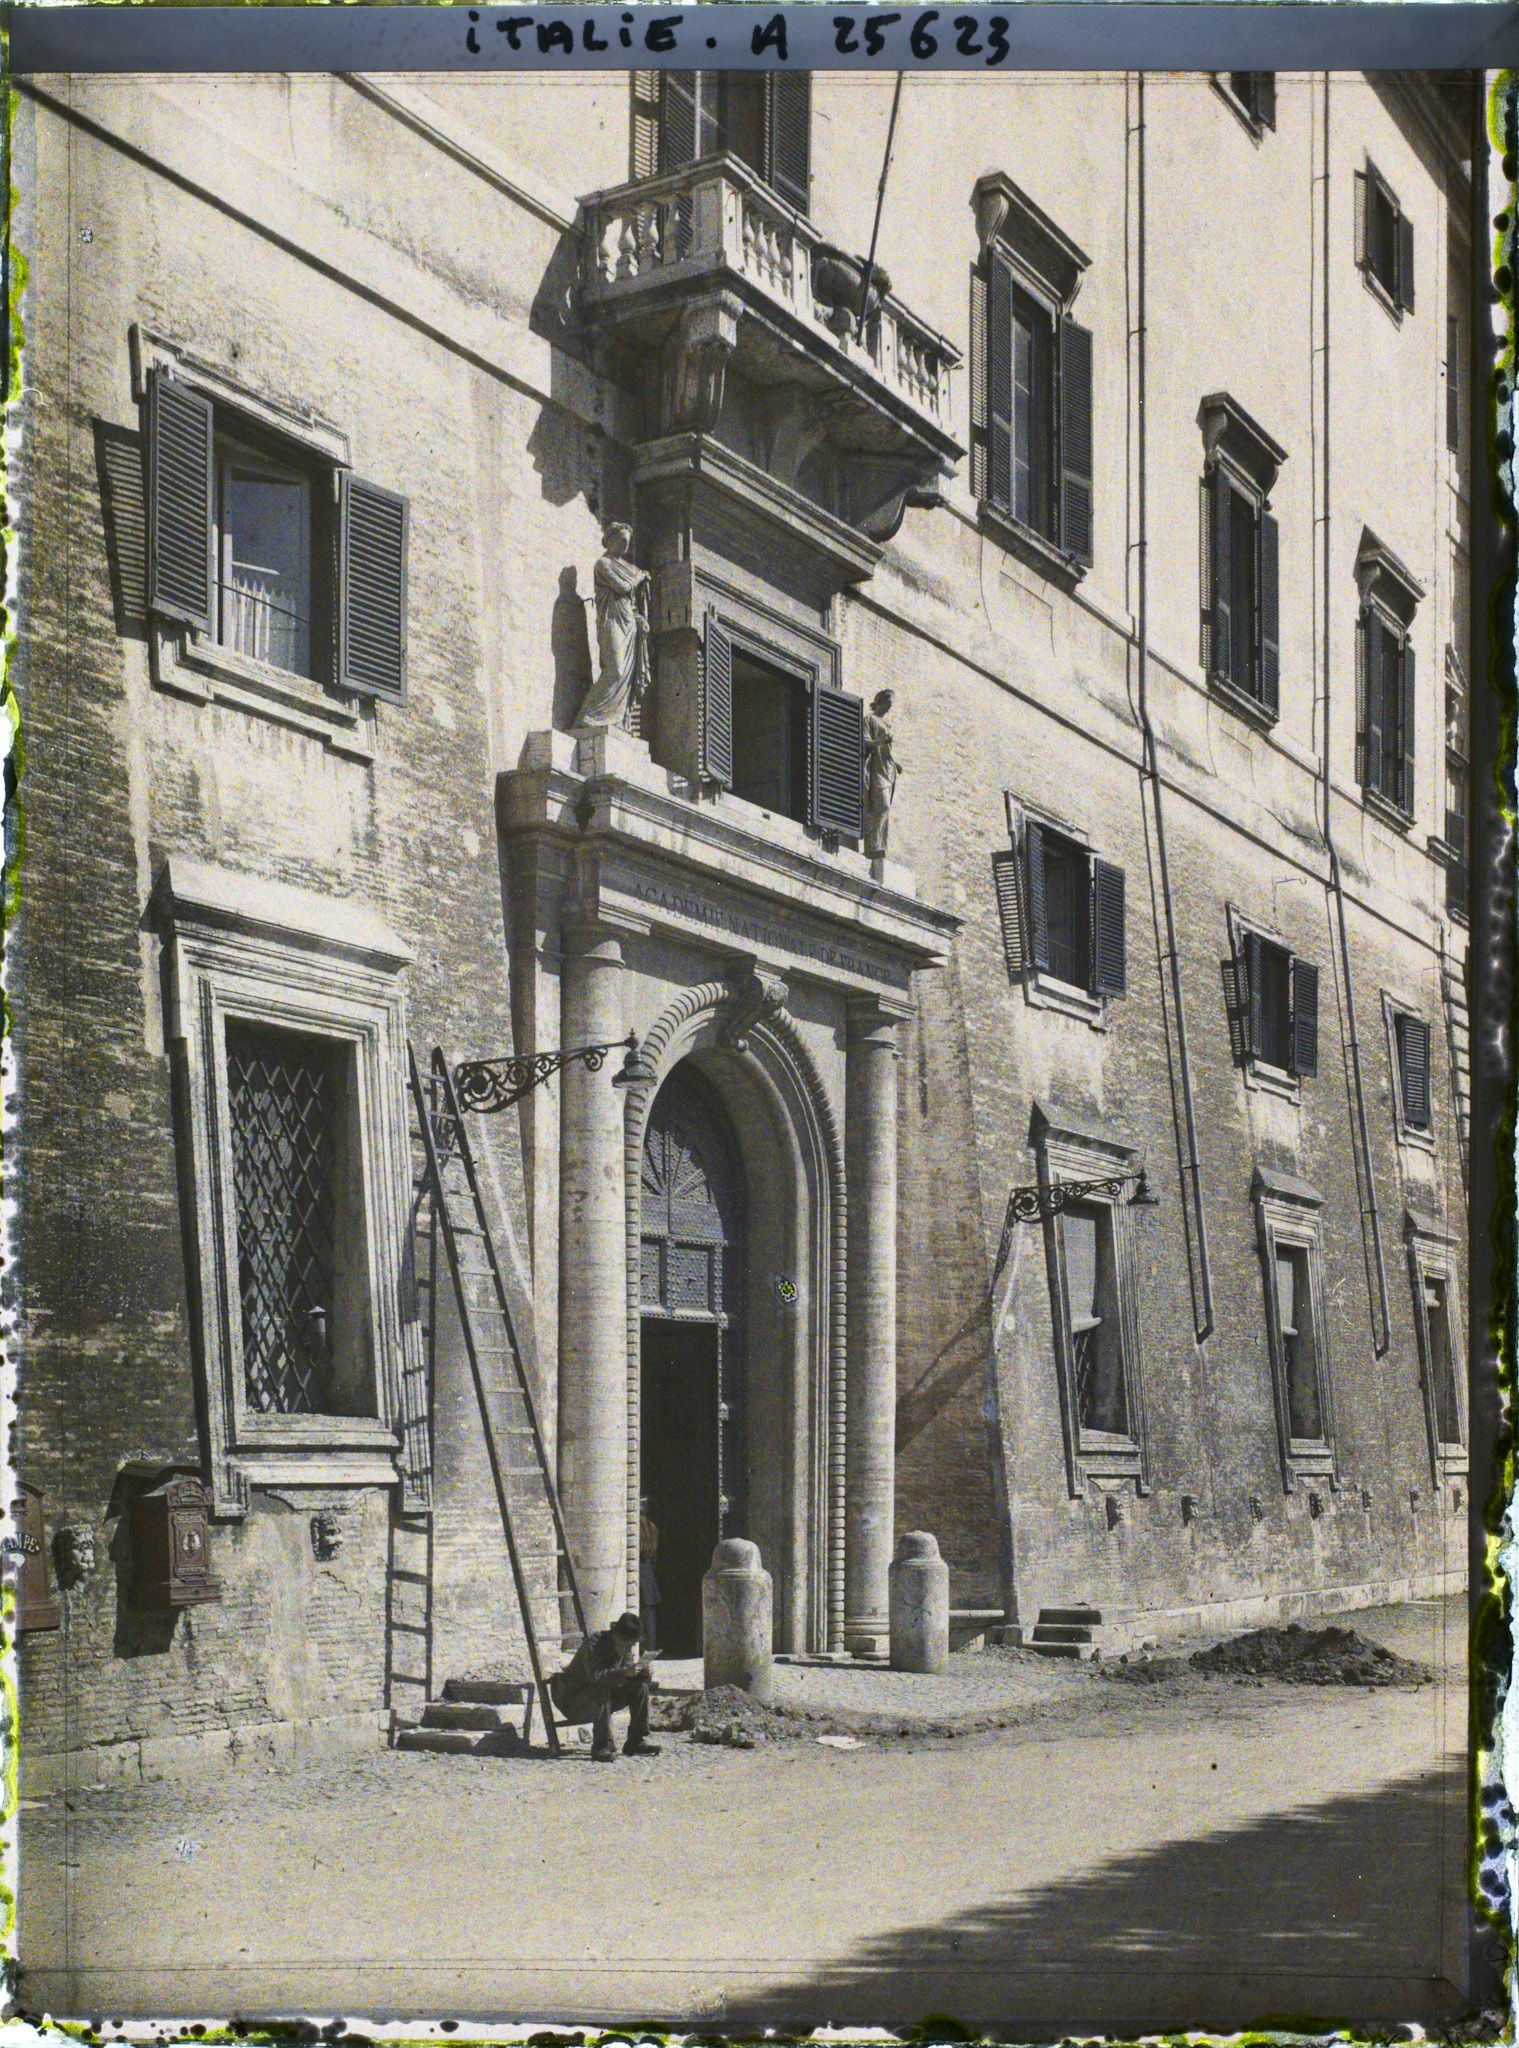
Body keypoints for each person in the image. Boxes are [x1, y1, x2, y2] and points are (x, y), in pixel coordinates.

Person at [548, 1610, 660, 1762]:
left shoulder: (624, 1648)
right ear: (617, 1637)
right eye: (628, 1644)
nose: (629, 1649)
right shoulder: (595, 1643)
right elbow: (596, 1678)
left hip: (600, 1700)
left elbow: (625, 1677)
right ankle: (601, 1746)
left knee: (641, 1688)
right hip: (573, 1701)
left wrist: (641, 1675)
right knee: (602, 1688)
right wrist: (626, 1672)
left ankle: (635, 1740)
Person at [574, 523, 651, 732]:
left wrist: (638, 619)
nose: (625, 546)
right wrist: (640, 576)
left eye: (627, 543)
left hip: (628, 623)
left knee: (626, 674)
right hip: (611, 621)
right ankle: (587, 717)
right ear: (610, 540)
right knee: (615, 670)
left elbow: (630, 601)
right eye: (621, 541)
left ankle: (616, 721)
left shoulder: (627, 568)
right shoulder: (603, 564)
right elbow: (622, 587)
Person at [862, 688, 901, 858]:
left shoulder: (888, 725)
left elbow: (888, 751)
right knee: (882, 805)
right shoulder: (869, 720)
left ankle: (879, 845)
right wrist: (882, 741)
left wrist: (896, 763)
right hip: (875, 769)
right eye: (887, 704)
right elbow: (865, 742)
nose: (888, 709)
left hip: (888, 770)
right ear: (880, 702)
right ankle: (868, 837)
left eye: (890, 706)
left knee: (886, 808)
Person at [638, 1496, 661, 1655]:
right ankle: (650, 1649)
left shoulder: (637, 1527)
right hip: (648, 1573)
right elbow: (654, 1556)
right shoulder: (652, 1527)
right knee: (648, 1615)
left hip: (638, 1570)